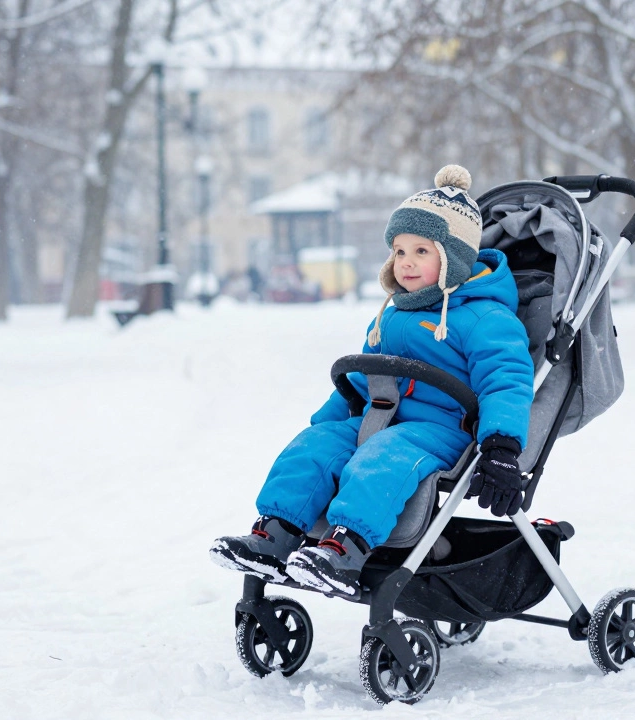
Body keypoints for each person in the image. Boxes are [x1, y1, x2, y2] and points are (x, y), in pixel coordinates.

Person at [209, 165, 534, 597]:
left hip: (443, 430)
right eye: (399, 251)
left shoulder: (487, 318)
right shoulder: (393, 312)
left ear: (453, 258)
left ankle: (346, 548)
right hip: (383, 417)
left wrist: (501, 447)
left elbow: (506, 380)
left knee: (383, 454)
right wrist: (326, 422)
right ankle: (275, 535)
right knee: (316, 446)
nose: (406, 263)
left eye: (422, 251)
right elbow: (366, 380)